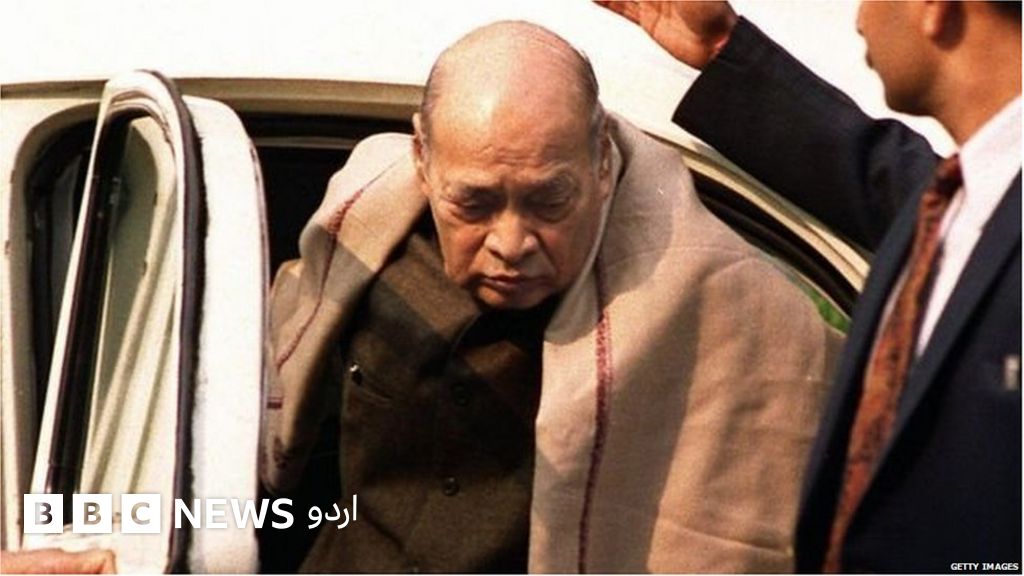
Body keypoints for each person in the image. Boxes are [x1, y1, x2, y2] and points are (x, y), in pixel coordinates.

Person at [261, 20, 841, 573]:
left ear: (603, 164)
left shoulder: (707, 301)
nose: (511, 244)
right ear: (422, 160)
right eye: (475, 204)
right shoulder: (362, 238)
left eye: (549, 201)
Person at [602, 1, 1021, 572]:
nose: (859, 19)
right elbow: (885, 179)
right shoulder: (955, 203)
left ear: (933, 8)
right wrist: (723, 49)